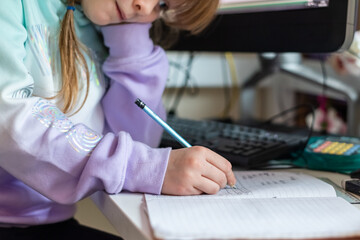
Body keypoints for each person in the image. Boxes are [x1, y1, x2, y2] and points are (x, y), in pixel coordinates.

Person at [0, 0, 236, 239]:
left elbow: (136, 140)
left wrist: (128, 36)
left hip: (46, 224)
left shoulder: (98, 22)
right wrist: (145, 167)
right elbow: (7, 118)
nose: (145, 7)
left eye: (162, 4)